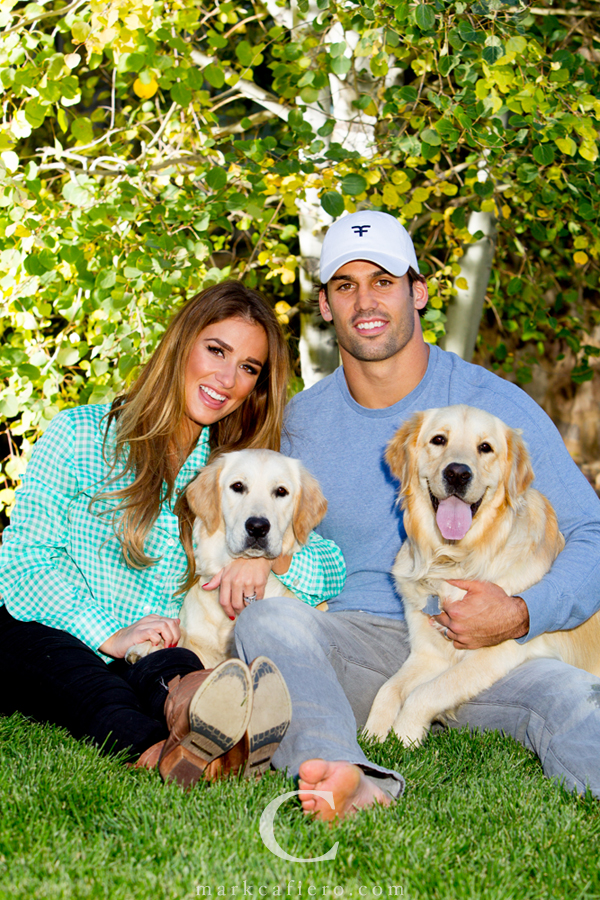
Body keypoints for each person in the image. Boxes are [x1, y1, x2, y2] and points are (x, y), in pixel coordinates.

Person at [234, 210, 600, 820]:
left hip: (499, 649)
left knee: (576, 697)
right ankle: (342, 774)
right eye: (345, 285)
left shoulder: (495, 407)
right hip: (360, 644)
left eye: (383, 281)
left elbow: (593, 533)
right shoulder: (300, 424)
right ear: (324, 305)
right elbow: (265, 521)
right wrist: (255, 559)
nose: (365, 301)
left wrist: (520, 612)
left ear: (418, 292)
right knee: (267, 622)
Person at [0, 281, 345, 786]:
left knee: (174, 669)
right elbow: (24, 566)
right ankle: (162, 750)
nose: (227, 378)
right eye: (217, 350)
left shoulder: (229, 472)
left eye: (248, 368)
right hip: (59, 632)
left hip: (158, 654)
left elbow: (332, 565)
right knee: (65, 664)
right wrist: (110, 634)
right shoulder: (79, 434)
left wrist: (267, 558)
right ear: (182, 343)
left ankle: (209, 721)